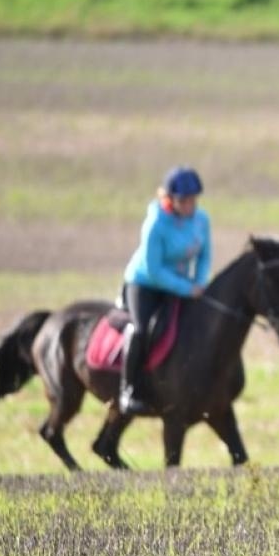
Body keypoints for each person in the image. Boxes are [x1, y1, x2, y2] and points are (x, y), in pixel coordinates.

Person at [120, 165, 211, 414]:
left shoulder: (201, 220)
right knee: (140, 330)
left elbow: (204, 256)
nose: (190, 205)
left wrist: (200, 283)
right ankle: (128, 390)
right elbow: (154, 270)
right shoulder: (155, 225)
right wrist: (187, 289)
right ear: (169, 199)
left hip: (184, 286)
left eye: (193, 199)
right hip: (145, 285)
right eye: (184, 200)